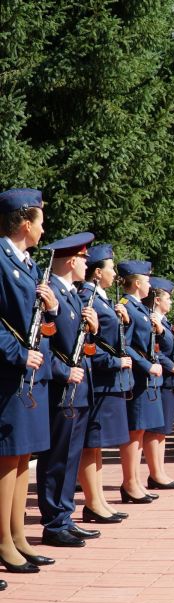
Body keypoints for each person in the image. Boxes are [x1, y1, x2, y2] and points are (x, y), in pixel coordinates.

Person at [0, 188, 58, 577]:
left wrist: (52, 309)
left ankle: (18, 535)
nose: (42, 228)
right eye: (39, 220)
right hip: (9, 372)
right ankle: (3, 540)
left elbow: (38, 324)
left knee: (23, 456)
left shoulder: (29, 264)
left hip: (30, 373)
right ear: (25, 224)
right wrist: (19, 355)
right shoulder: (1, 261)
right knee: (7, 457)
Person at [37, 232, 102, 548]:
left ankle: (65, 516)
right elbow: (44, 341)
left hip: (80, 388)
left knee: (72, 455)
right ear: (73, 260)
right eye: (84, 258)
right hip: (62, 387)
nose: (87, 264)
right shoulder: (52, 294)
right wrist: (63, 372)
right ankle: (53, 522)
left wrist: (93, 332)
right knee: (57, 457)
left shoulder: (75, 296)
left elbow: (83, 349)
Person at [77, 244, 131, 524]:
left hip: (106, 382)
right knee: (91, 444)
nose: (115, 273)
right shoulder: (88, 299)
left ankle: (98, 500)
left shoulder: (102, 298)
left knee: (97, 445)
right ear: (97, 273)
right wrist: (115, 362)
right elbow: (86, 345)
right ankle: (92, 503)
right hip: (97, 380)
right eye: (111, 268)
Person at [117, 260, 166, 502]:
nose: (150, 284)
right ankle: (129, 483)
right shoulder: (127, 306)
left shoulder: (140, 308)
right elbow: (123, 344)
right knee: (134, 431)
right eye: (147, 280)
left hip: (145, 378)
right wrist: (147, 365)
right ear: (137, 283)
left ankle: (134, 481)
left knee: (139, 431)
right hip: (137, 377)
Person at [145, 277, 174, 489]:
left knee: (163, 431)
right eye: (168, 298)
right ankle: (155, 474)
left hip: (170, 381)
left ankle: (160, 471)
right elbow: (154, 352)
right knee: (156, 430)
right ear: (158, 300)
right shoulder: (154, 321)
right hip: (161, 380)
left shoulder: (165, 322)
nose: (170, 302)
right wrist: (171, 366)